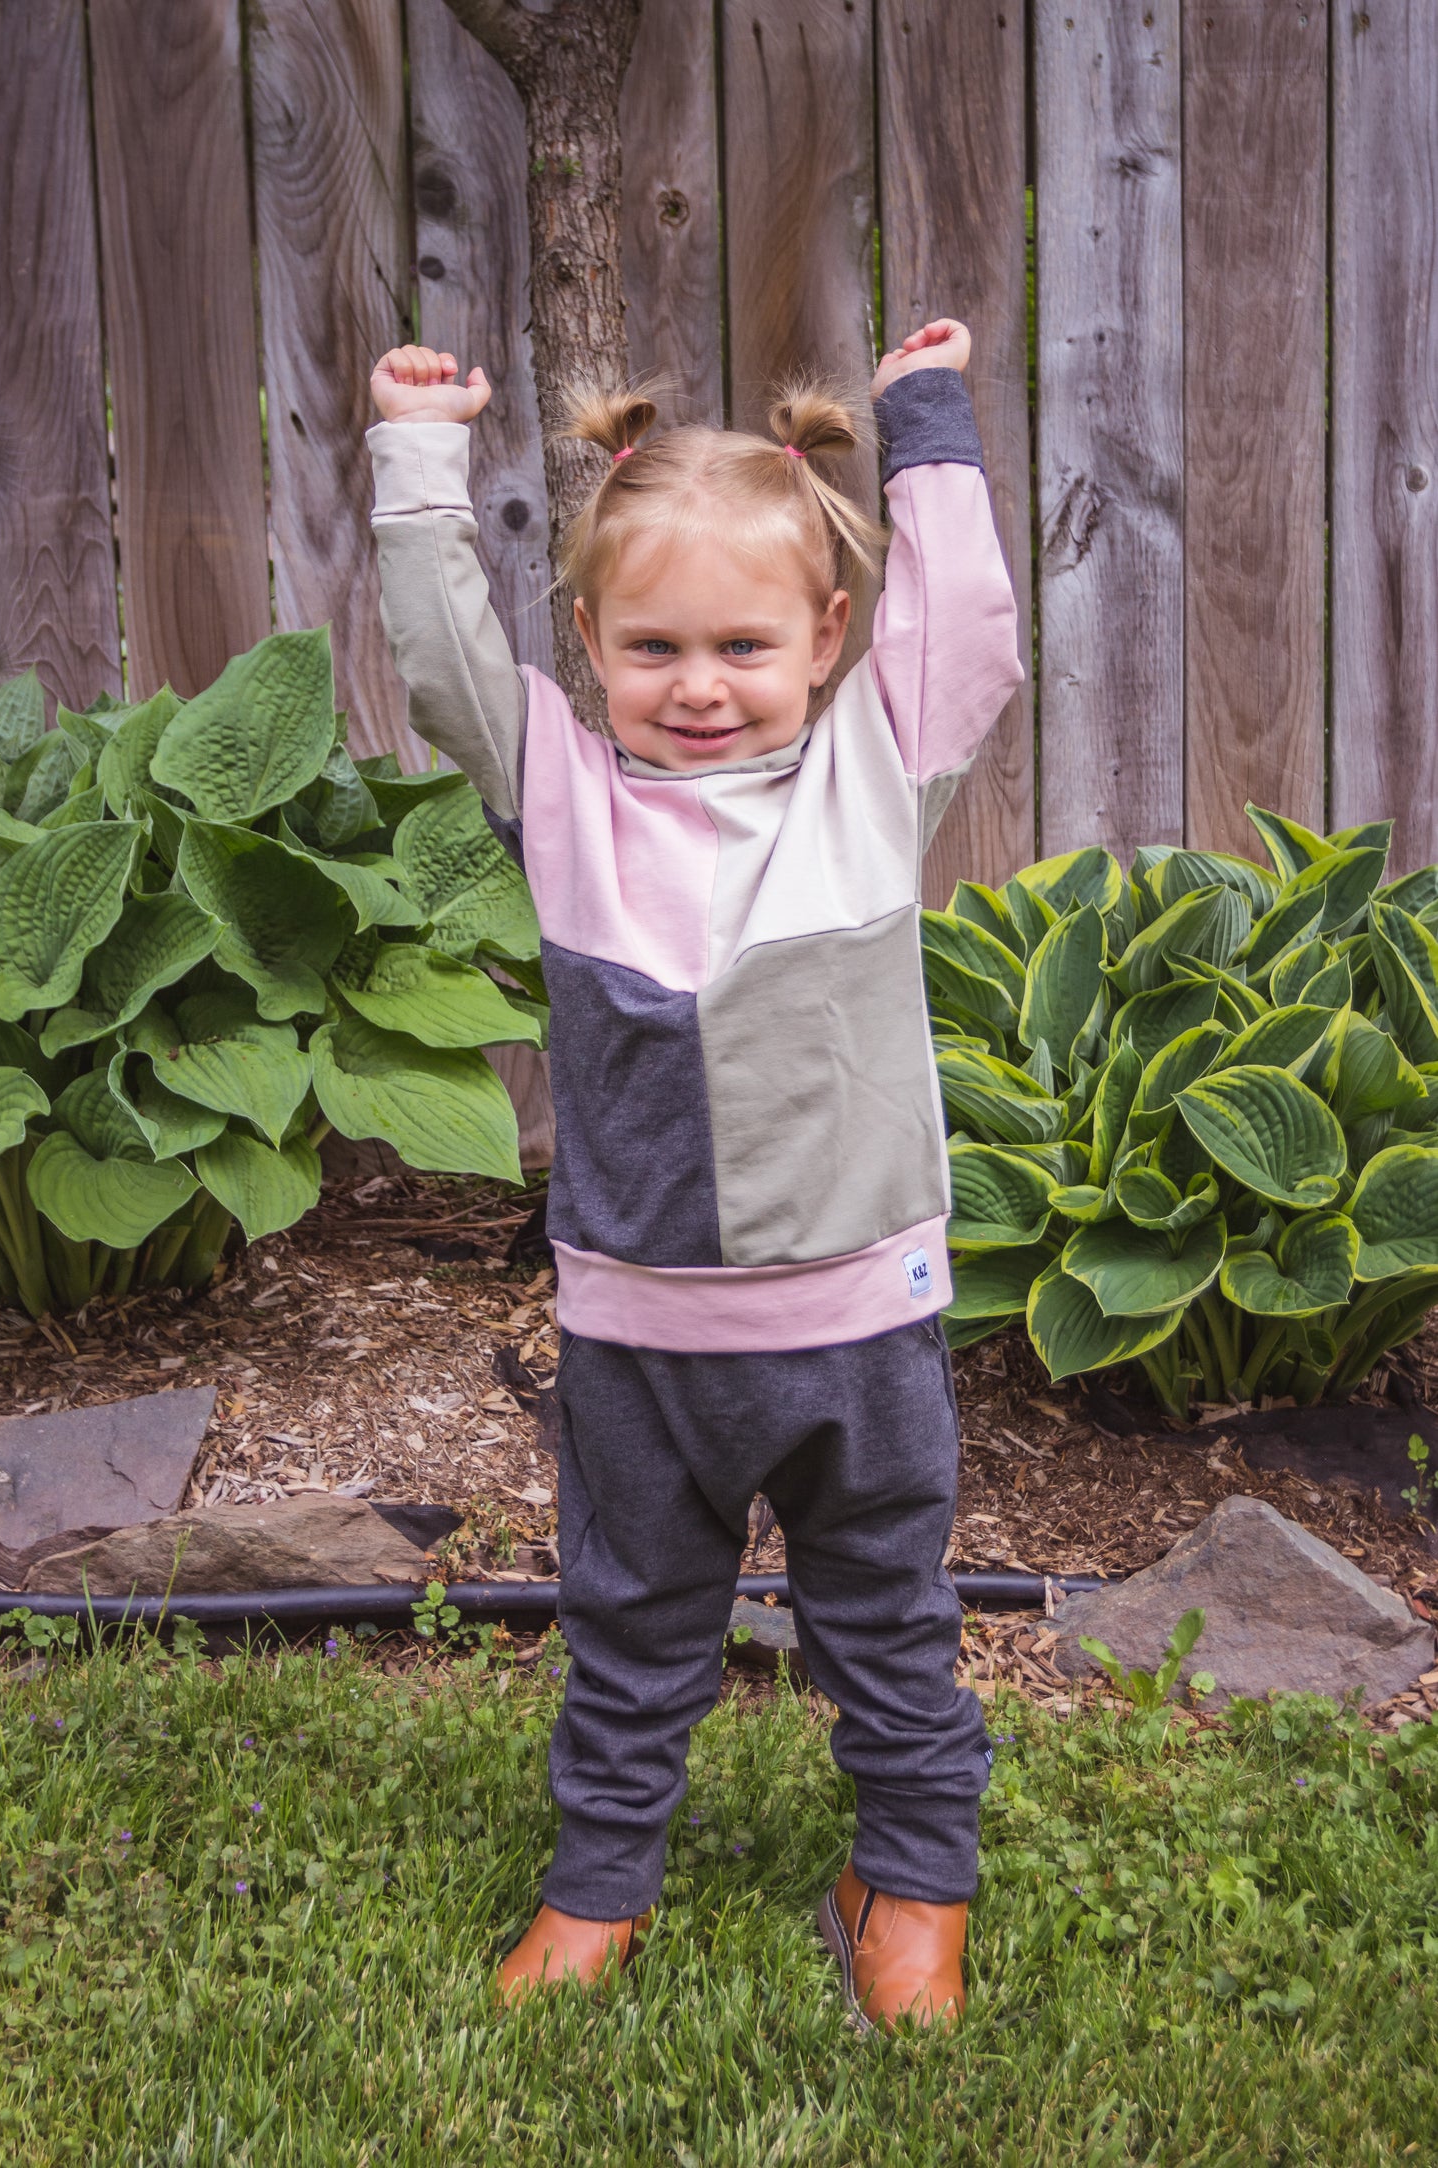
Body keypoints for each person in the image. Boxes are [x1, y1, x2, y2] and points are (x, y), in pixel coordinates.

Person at [366, 319, 1023, 2030]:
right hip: (641, 1344)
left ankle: (914, 1884)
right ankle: (596, 1893)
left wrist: (926, 426)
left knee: (884, 1623)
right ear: (585, 644)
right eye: (651, 645)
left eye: (742, 642)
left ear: (823, 638)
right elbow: (441, 659)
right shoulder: (562, 796)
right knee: (631, 1628)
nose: (699, 682)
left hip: (855, 1332)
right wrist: (419, 460)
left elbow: (961, 627)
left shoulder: (875, 780)